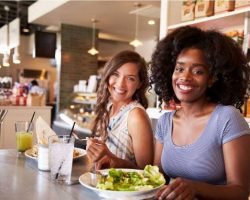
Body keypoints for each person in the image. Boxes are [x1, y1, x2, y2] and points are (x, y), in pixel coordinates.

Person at [150, 26, 250, 199]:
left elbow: (240, 191)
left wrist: (195, 188)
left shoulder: (227, 118)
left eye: (198, 71)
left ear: (212, 78)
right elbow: (156, 179)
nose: (185, 77)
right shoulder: (166, 121)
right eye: (179, 69)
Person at [87, 50, 154, 170]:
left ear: (139, 84)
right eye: (116, 74)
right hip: (100, 186)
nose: (120, 84)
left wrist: (112, 158)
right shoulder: (108, 107)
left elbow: (147, 172)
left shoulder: (136, 115)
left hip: (123, 188)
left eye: (130, 78)